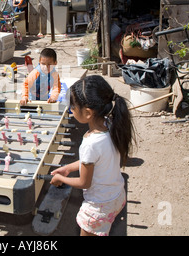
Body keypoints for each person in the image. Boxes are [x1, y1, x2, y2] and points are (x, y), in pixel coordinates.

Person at [50, 75, 135, 236]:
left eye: (72, 107)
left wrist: (61, 179)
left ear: (88, 113)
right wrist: (68, 167)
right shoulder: (111, 124)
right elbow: (94, 159)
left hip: (99, 207)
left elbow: (84, 182)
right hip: (116, 195)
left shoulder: (90, 143)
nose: (71, 110)